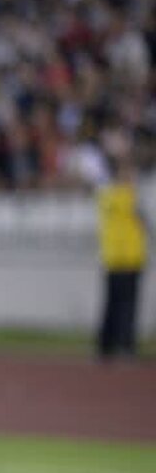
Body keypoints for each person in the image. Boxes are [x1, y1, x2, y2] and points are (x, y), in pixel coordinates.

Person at [96, 154, 149, 361]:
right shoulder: (127, 196)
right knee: (125, 305)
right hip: (126, 256)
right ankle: (123, 344)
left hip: (118, 256)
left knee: (114, 303)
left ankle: (108, 344)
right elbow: (142, 221)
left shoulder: (106, 195)